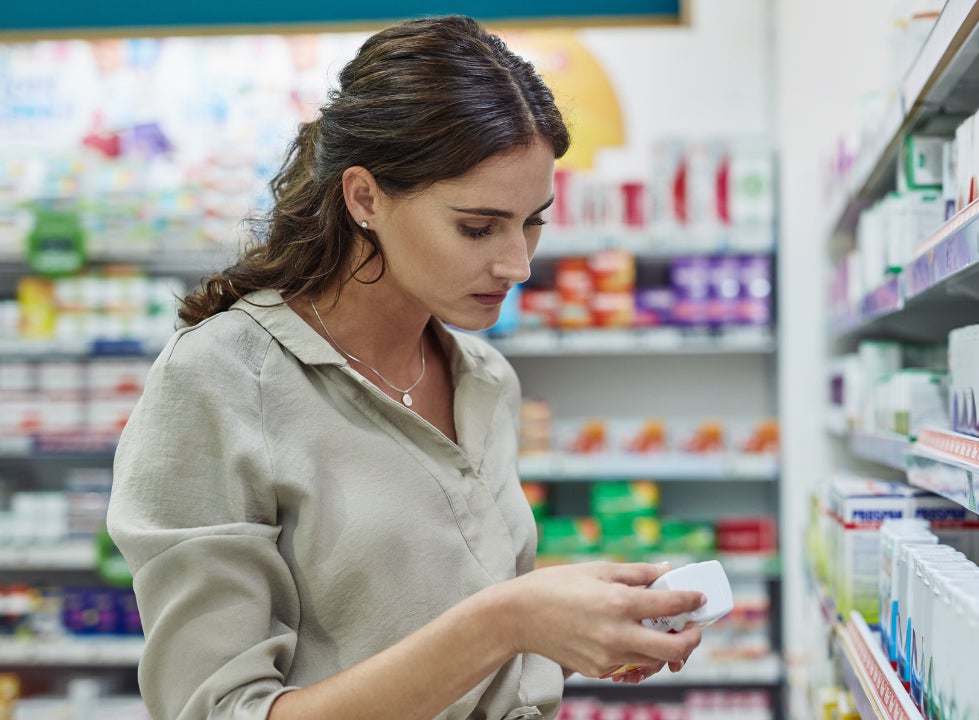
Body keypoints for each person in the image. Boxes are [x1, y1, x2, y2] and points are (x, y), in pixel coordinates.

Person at [105, 15, 707, 720]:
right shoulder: (221, 380)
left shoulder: (484, 378)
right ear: (365, 198)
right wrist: (508, 621)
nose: (518, 264)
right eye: (478, 227)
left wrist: (573, 630)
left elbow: (445, 655)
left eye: (533, 220)